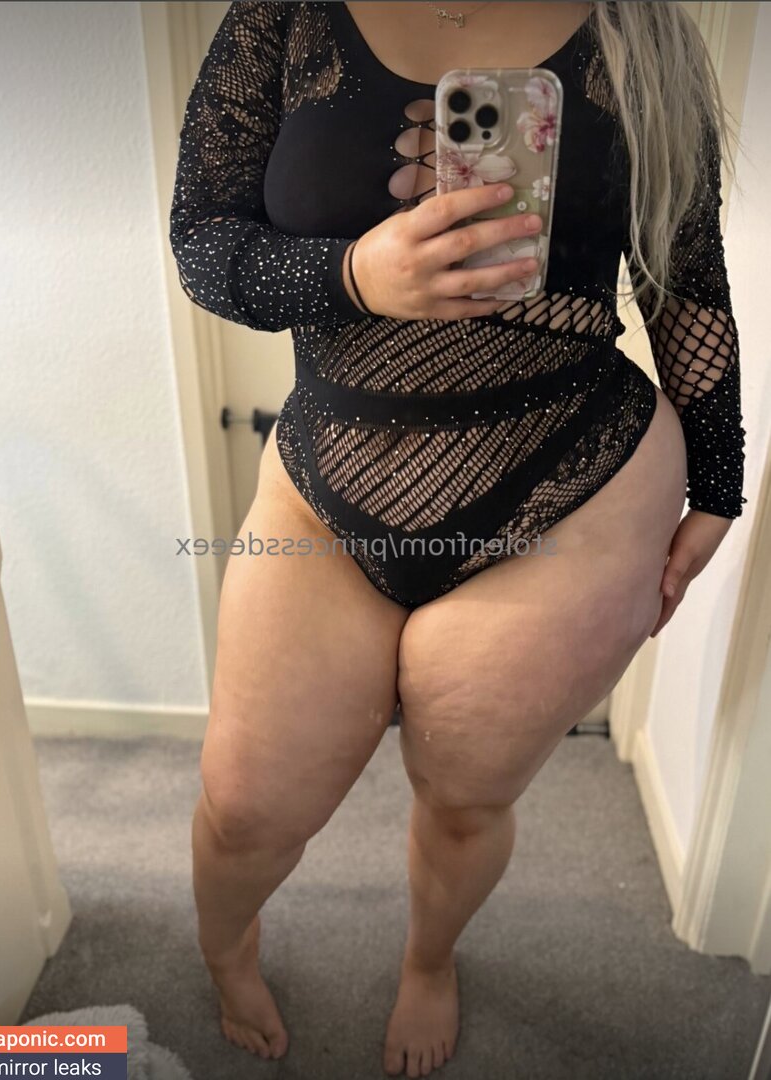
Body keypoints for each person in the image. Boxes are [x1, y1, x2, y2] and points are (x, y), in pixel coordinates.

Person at [169, 2, 746, 1076]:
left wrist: (718, 482)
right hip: (328, 482)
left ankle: (429, 961)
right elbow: (202, 241)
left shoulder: (643, 29)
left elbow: (686, 275)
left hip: (571, 483)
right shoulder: (281, 15)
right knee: (246, 805)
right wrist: (353, 275)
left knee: (466, 797)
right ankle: (225, 946)